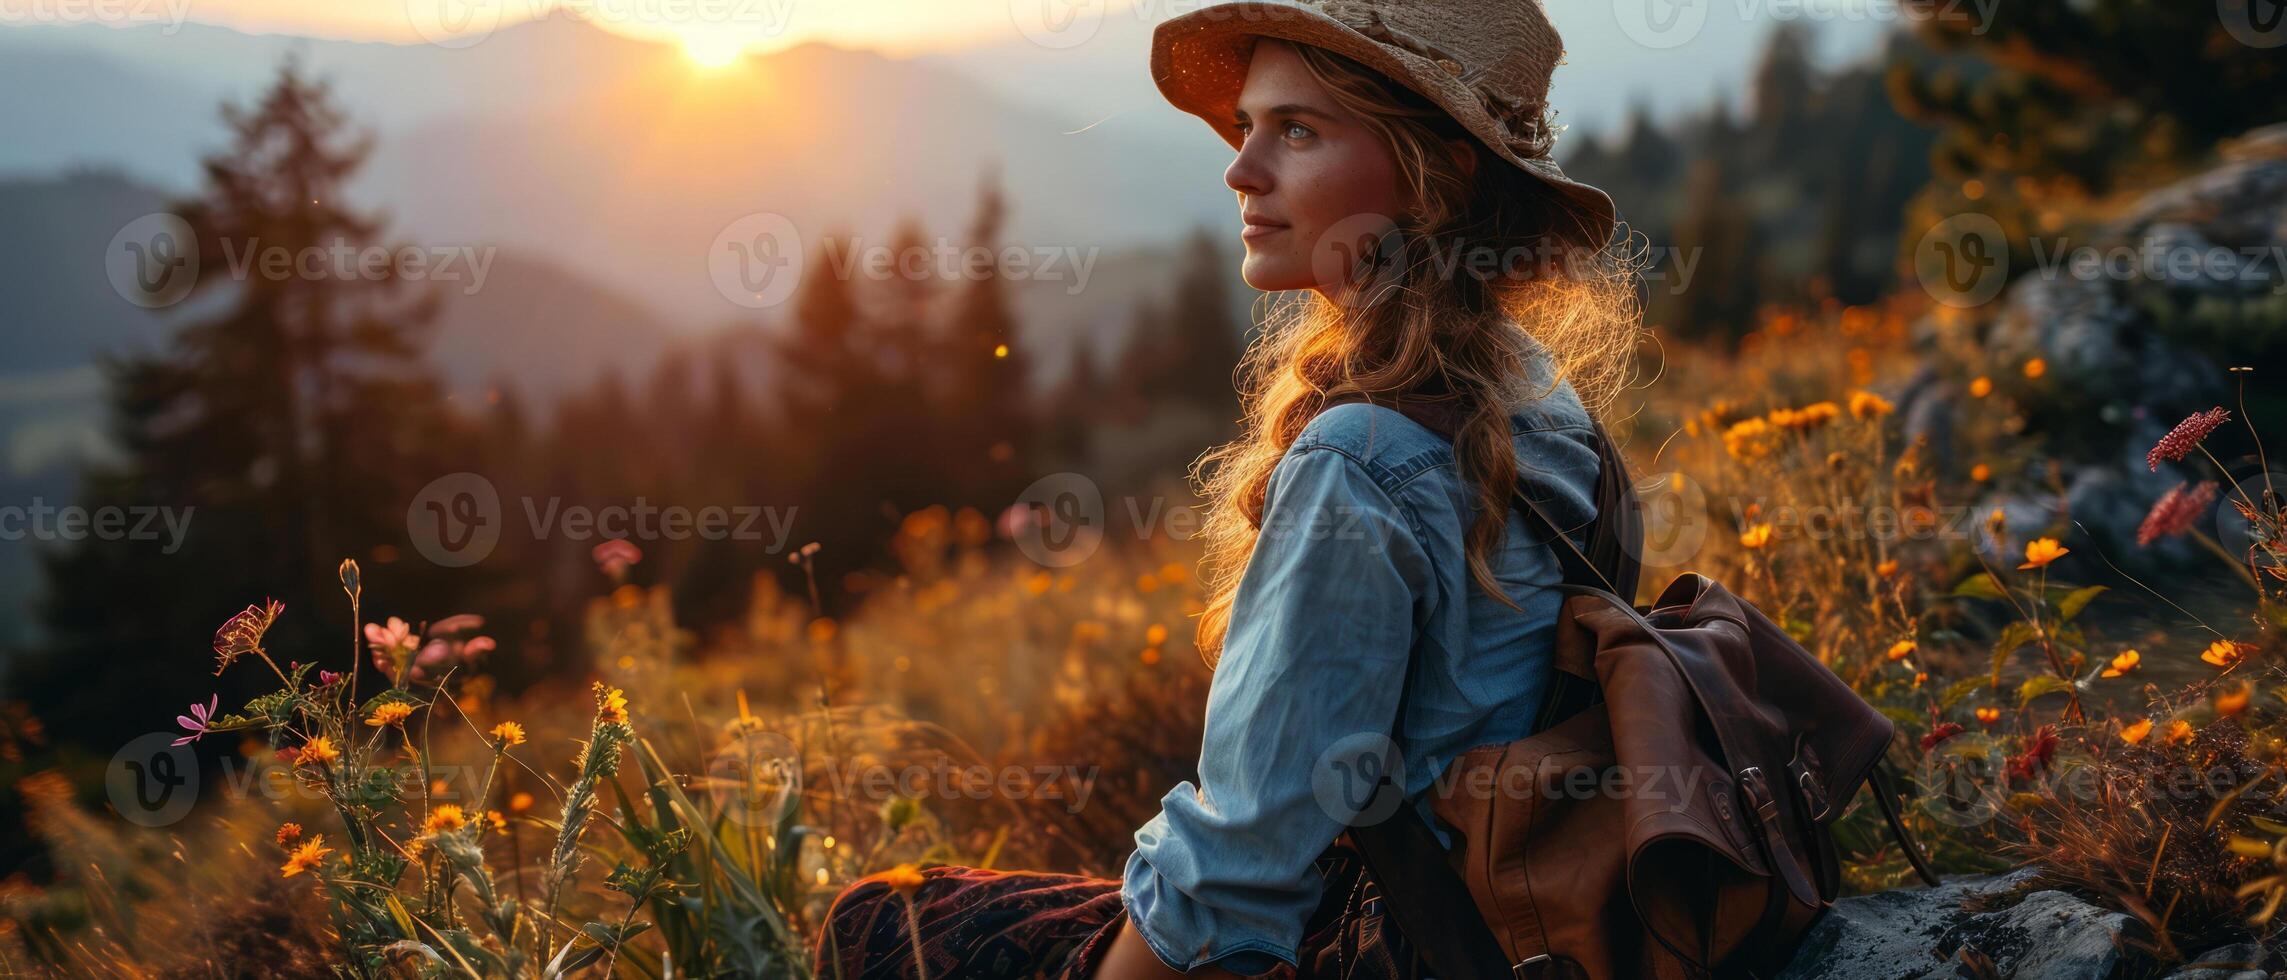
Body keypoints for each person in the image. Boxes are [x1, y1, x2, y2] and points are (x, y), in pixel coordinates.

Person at [816, 1, 1641, 976]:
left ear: (1436, 175)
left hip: (1403, 946)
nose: (1239, 168)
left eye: (1296, 130)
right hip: (1525, 920)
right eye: (1247, 126)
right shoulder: (1534, 386)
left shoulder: (1361, 458)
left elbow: (1238, 872)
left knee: (880, 922)